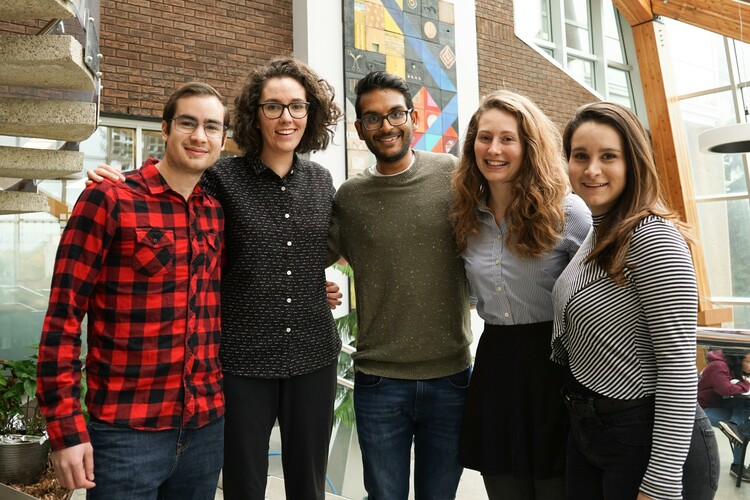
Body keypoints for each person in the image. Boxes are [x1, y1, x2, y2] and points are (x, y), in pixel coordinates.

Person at [88, 57, 344, 500]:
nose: (286, 117)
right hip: (240, 361)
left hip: (312, 356)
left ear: (311, 114)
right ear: (253, 115)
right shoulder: (220, 179)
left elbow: (310, 256)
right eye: (273, 107)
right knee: (243, 487)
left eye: (297, 107)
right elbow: (172, 192)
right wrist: (118, 179)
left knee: (310, 488)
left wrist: (309, 284)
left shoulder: (322, 183)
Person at [36, 82, 229, 498]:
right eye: (188, 123)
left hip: (205, 430)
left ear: (223, 140)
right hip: (126, 435)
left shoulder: (215, 212)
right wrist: (66, 430)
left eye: (212, 127)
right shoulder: (109, 198)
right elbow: (62, 319)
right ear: (165, 128)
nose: (200, 136)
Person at [551, 101, 719, 499]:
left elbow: (678, 368)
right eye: (580, 156)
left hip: (646, 438)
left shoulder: (651, 238)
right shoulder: (600, 230)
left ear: (634, 162)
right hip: (591, 429)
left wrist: (660, 484)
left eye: (608, 156)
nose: (591, 170)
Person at [328, 70, 473, 500]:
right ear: (359, 130)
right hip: (379, 382)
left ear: (413, 117)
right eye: (373, 118)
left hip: (451, 378)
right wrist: (309, 289)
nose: (386, 126)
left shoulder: (451, 174)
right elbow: (299, 256)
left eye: (395, 114)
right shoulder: (350, 197)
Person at [450, 90, 591, 499]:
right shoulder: (463, 215)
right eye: (484, 137)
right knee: (504, 487)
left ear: (529, 147)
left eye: (508, 138)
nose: (494, 149)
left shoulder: (568, 212)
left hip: (557, 367)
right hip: (496, 366)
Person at [698, 349, 750, 481]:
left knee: (745, 407)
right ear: (738, 359)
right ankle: (737, 465)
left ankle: (733, 424)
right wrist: (746, 384)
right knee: (745, 426)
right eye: (749, 362)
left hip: (718, 402)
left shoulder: (728, 365)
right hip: (704, 409)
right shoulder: (718, 366)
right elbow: (726, 389)